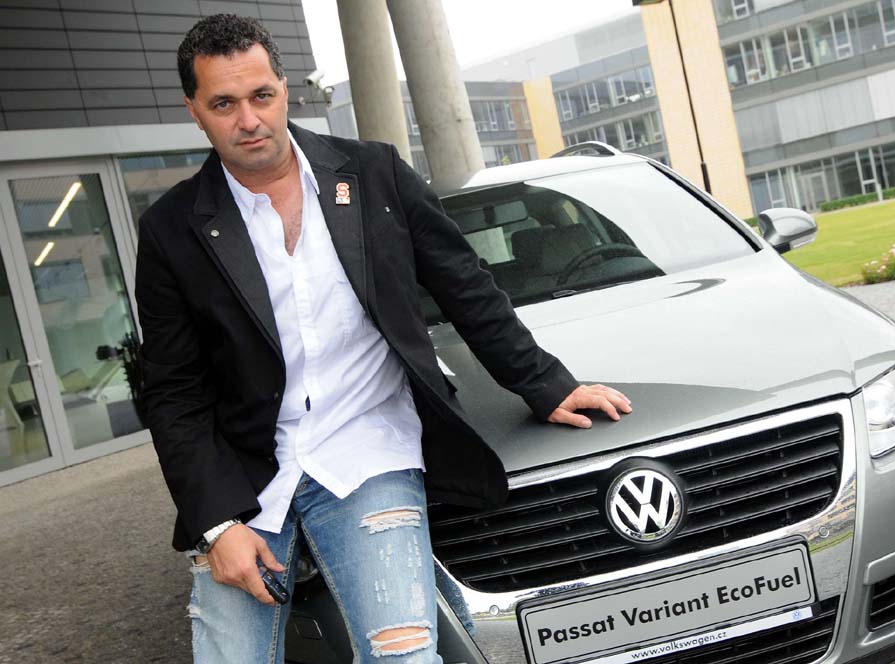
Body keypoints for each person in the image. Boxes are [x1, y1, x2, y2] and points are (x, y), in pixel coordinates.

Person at [135, 14, 631, 664]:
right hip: (245, 474)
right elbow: (173, 392)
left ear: (284, 89)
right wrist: (218, 523)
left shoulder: (374, 176)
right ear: (194, 111)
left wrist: (545, 382)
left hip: (366, 447)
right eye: (224, 104)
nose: (249, 120)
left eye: (261, 96)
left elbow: (465, 285)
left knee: (403, 655)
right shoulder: (172, 228)